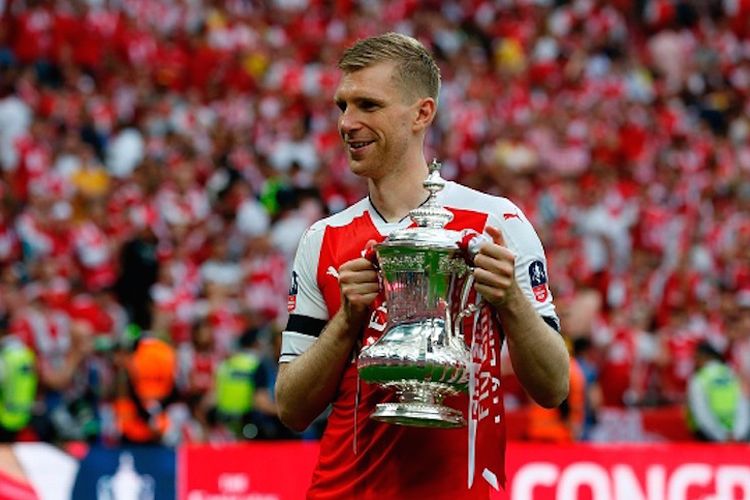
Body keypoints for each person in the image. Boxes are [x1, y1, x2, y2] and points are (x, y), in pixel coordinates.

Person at [274, 32, 569, 498]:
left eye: (368, 105)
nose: (348, 123)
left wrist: (511, 300)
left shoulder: (498, 223)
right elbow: (291, 408)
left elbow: (554, 388)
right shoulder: (323, 239)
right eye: (342, 106)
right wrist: (349, 319)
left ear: (422, 113)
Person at [686, 340, 750, 442]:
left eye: (695, 357)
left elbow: (701, 412)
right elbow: (742, 403)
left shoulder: (700, 378)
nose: (694, 361)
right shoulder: (731, 373)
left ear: (703, 356)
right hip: (735, 434)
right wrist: (738, 434)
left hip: (709, 437)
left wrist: (720, 436)